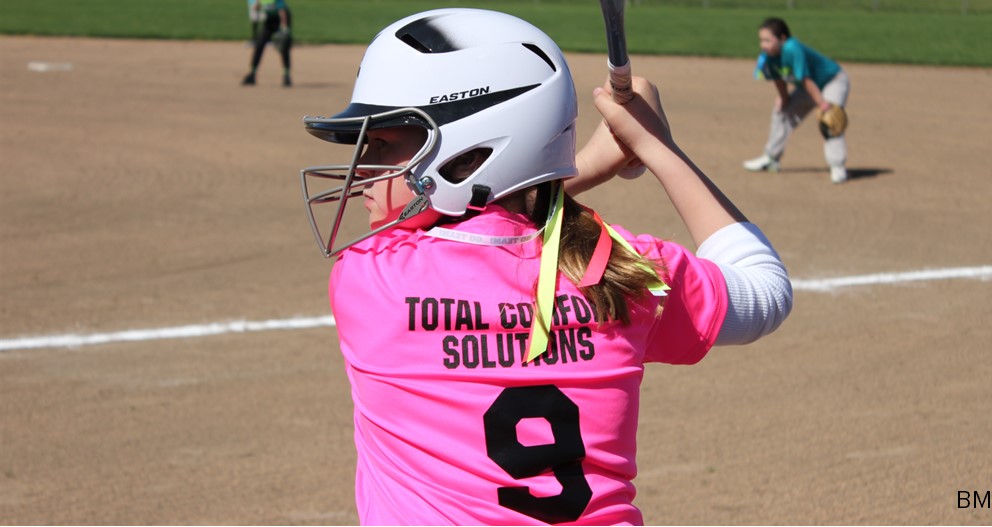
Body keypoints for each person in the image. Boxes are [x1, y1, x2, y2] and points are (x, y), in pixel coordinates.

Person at [297, 8, 792, 524]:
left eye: (383, 143)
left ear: (466, 153)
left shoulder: (370, 279)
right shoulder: (621, 270)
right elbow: (766, 291)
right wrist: (657, 147)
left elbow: (473, 236)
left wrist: (590, 167)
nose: (363, 171)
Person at [743, 17, 851, 184]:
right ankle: (771, 158)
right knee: (781, 111)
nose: (763, 44)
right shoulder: (769, 56)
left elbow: (806, 79)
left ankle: (837, 165)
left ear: (782, 38)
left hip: (833, 80)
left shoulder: (792, 48)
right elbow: (778, 79)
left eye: (767, 40)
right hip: (810, 86)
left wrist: (823, 104)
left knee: (829, 118)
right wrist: (784, 100)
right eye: (761, 40)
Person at [241, 0, 292, 87]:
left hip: (282, 20)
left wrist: (284, 28)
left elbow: (282, 11)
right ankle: (252, 74)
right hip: (269, 21)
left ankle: (286, 75)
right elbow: (257, 7)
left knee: (284, 47)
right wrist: (256, 6)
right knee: (259, 44)